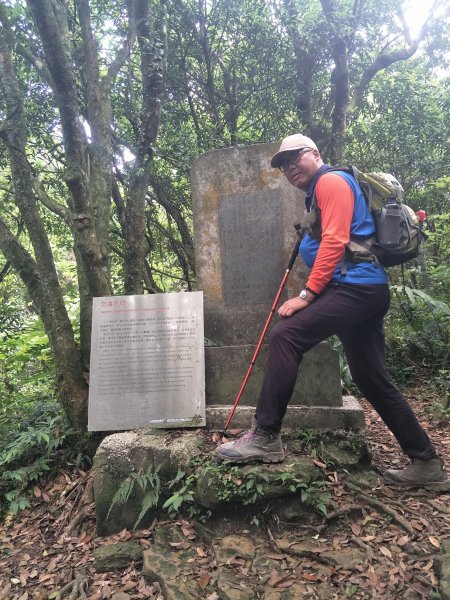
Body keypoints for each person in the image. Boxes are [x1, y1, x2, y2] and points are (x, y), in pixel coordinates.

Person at [215, 133, 448, 490]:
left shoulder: (332, 181)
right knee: (371, 377)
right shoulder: (321, 192)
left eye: (295, 157)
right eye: (282, 164)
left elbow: (337, 240)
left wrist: (307, 295)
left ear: (316, 154)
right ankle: (426, 462)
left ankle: (265, 435)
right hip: (362, 290)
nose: (289, 166)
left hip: (355, 287)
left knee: (286, 335)